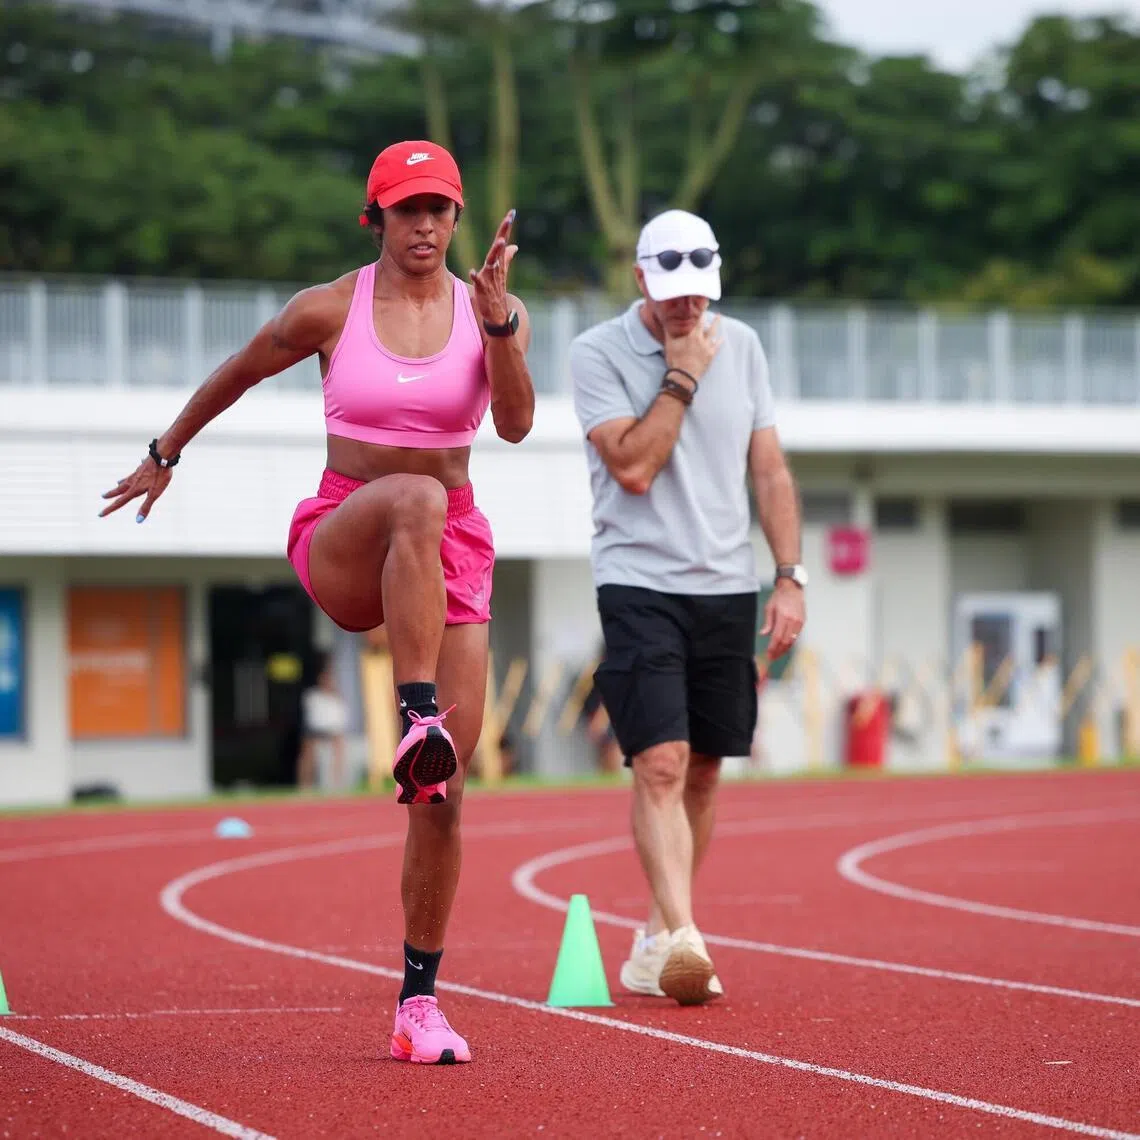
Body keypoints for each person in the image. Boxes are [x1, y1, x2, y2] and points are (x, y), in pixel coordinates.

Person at [100, 139, 534, 1063]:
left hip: (452, 541)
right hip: (347, 528)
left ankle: (419, 1006)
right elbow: (241, 368)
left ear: (458, 219)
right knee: (412, 496)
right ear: (372, 217)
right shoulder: (330, 309)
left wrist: (498, 328)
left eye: (439, 210)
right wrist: (164, 453)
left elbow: (515, 424)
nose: (424, 226)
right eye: (406, 209)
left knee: (446, 796)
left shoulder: (490, 311)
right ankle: (415, 714)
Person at [569, 208, 805, 1006]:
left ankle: (652, 939)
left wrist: (789, 573)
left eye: (699, 295)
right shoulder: (597, 352)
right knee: (659, 762)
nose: (688, 310)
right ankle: (682, 936)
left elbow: (768, 471)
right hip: (638, 579)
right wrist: (681, 374)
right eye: (671, 293)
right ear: (641, 280)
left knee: (704, 768)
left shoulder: (743, 345)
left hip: (727, 584)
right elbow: (633, 467)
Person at [297, 649, 349, 790]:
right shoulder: (312, 696)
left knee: (340, 746)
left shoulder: (336, 698)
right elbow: (312, 718)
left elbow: (340, 718)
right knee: (307, 750)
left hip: (332, 731)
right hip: (315, 730)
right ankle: (305, 785)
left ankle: (337, 783)